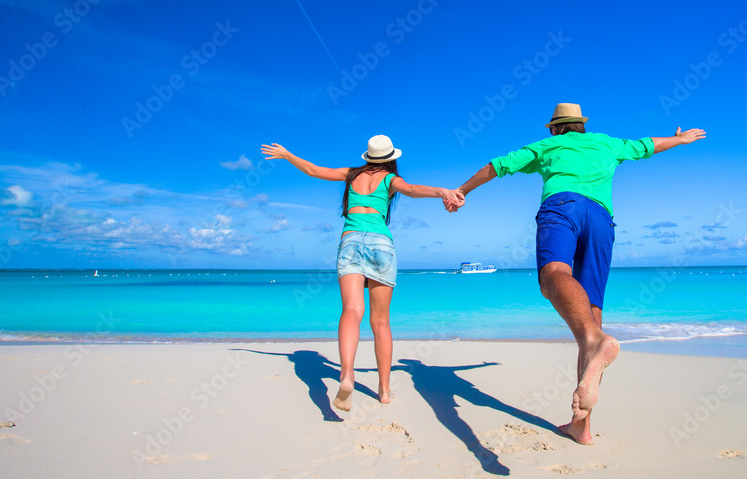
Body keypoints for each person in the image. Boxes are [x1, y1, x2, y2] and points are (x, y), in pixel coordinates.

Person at [447, 103, 705, 444]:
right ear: (581, 126)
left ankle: (595, 345)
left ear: (555, 128)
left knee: (553, 274)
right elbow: (647, 145)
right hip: (601, 219)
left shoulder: (546, 146)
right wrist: (681, 140)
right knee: (591, 317)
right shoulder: (607, 143)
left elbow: (496, 166)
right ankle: (581, 425)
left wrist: (462, 190)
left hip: (563, 207)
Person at [261, 135, 463, 411]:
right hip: (380, 244)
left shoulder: (351, 174)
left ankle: (346, 373)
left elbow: (313, 170)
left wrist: (288, 155)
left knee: (351, 311)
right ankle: (384, 390)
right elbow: (413, 189)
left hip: (351, 241)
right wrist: (442, 191)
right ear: (391, 158)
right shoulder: (390, 180)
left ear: (367, 157)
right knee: (380, 322)